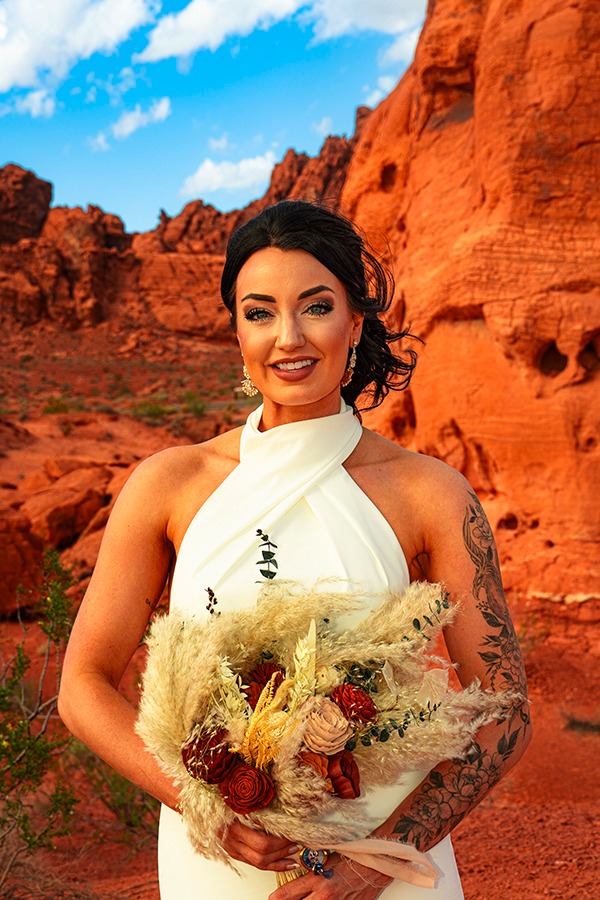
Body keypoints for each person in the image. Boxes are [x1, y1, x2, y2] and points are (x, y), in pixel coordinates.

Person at [59, 200, 531, 899]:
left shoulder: (430, 493)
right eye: (259, 312)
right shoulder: (171, 484)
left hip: (383, 862)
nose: (288, 337)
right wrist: (206, 806)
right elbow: (82, 685)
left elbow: (506, 707)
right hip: (218, 862)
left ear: (354, 323)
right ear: (236, 331)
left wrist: (374, 864)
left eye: (315, 306)